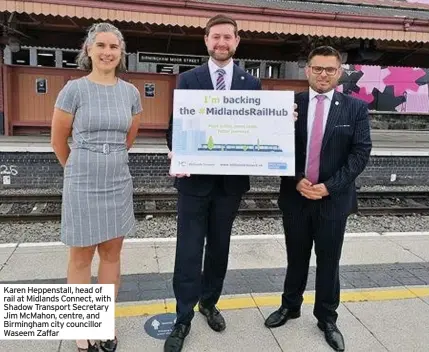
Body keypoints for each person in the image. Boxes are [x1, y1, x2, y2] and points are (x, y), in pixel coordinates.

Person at [164, 14, 262, 352]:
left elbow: (258, 130)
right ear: (206, 40)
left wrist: (278, 124)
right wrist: (176, 150)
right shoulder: (188, 80)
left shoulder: (252, 83)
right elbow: (174, 126)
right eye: (215, 37)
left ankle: (209, 302)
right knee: (188, 251)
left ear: (237, 41)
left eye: (227, 37)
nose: (221, 43)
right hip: (194, 183)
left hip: (229, 185)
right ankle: (182, 317)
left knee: (219, 248)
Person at [264, 46, 372, 352]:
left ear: (339, 73)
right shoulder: (290, 106)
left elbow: (360, 153)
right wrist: (296, 179)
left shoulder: (355, 109)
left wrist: (329, 186)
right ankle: (290, 306)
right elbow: (277, 145)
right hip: (295, 196)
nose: (322, 74)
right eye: (317, 68)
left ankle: (327, 318)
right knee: (295, 258)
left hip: (332, 200)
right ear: (307, 70)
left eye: (329, 69)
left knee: (329, 262)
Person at [51, 23, 142, 352]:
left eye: (114, 47)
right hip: (82, 177)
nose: (107, 52)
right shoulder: (73, 90)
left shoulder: (130, 93)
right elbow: (58, 140)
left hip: (117, 178)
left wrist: (109, 159)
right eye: (101, 45)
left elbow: (128, 138)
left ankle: (104, 322)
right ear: (88, 50)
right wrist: (78, 168)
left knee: (111, 254)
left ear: (121, 53)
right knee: (80, 256)